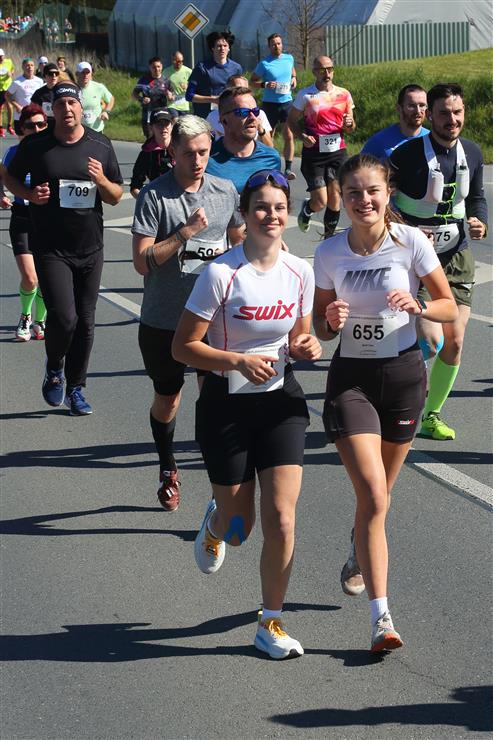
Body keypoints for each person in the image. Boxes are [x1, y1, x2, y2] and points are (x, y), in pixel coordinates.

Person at [172, 169, 321, 660]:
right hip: (225, 405)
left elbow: (300, 337)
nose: (271, 215)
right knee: (240, 530)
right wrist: (236, 361)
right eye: (261, 207)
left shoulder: (299, 271)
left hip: (281, 403)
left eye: (279, 207)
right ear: (245, 213)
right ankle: (217, 523)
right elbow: (182, 348)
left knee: (282, 518)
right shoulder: (221, 273)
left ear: (288, 213)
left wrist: (308, 345)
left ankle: (270, 623)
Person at [313, 154, 457, 652]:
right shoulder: (330, 252)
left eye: (372, 191)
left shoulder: (410, 242)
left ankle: (359, 546)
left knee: (380, 497)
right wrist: (329, 320)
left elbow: (447, 305)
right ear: (342, 196)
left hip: (402, 378)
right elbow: (320, 327)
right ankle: (382, 619)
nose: (364, 201)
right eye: (353, 192)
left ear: (387, 192)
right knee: (374, 496)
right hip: (351, 381)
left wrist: (420, 306)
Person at [132, 115, 244, 511]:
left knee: (214, 401)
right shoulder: (155, 196)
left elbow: (237, 243)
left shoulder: (224, 190)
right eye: (189, 154)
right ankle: (167, 466)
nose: (197, 161)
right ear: (172, 152)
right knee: (168, 399)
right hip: (164, 320)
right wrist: (184, 233)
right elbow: (142, 262)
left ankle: (220, 487)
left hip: (212, 320)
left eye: (203, 152)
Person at [4, 81, 123, 415]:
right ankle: (55, 367)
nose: (67, 110)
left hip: (90, 247)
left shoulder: (100, 144)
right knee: (64, 318)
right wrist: (28, 195)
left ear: (81, 108)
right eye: (60, 105)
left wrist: (102, 181)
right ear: (52, 111)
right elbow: (9, 177)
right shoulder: (36, 145)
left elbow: (115, 196)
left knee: (86, 322)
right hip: (50, 247)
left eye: (72, 104)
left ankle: (76, 388)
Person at [389, 83, 488, 441]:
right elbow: (383, 199)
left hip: (457, 255)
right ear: (429, 115)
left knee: (455, 342)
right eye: (444, 113)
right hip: (416, 260)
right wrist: (406, 234)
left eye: (457, 112)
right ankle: (394, 387)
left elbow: (476, 198)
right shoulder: (407, 154)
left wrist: (480, 222)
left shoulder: (472, 152)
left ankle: (431, 415)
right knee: (431, 342)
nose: (452, 119)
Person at [287, 55, 355, 237]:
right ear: (314, 72)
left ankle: (328, 239)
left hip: (337, 152)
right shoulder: (306, 95)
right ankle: (308, 209)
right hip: (314, 154)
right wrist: (302, 136)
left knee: (335, 198)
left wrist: (349, 124)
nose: (327, 73)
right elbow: (291, 121)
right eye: (322, 70)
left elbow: (350, 127)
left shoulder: (344, 94)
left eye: (330, 69)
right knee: (320, 201)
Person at [0, 104, 48, 341]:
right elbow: (2, 176)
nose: (36, 129)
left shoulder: (54, 151)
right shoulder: (13, 153)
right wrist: (1, 194)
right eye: (30, 126)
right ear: (22, 128)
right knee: (30, 277)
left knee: (47, 277)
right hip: (22, 217)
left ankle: (40, 320)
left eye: (41, 124)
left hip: (49, 219)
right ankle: (26, 316)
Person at [206, 86, 281, 193]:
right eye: (243, 112)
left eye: (255, 111)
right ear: (224, 120)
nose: (253, 118)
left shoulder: (271, 158)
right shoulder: (205, 159)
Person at [251, 33, 297, 179]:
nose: (276, 46)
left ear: (282, 44)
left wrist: (294, 78)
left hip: (286, 102)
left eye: (278, 43)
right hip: (270, 104)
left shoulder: (289, 58)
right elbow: (252, 81)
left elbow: (292, 70)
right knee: (267, 137)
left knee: (288, 135)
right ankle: (268, 167)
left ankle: (288, 169)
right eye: (273, 44)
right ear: (269, 46)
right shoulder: (264, 63)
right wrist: (264, 84)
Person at [362, 84, 429, 161]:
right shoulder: (379, 141)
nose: (418, 111)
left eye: (422, 105)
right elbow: (358, 167)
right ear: (399, 108)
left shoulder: (432, 140)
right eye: (411, 106)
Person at [185, 31, 242, 119]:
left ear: (229, 48)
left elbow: (240, 93)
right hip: (205, 116)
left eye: (225, 46)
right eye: (219, 46)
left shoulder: (236, 68)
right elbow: (189, 95)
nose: (222, 49)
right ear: (212, 48)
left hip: (228, 116)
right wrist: (213, 99)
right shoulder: (202, 67)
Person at [206, 74, 273, 147]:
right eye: (237, 89)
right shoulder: (213, 116)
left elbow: (270, 146)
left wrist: (260, 129)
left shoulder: (259, 114)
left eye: (245, 89)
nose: (242, 93)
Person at [130, 108, 176, 199]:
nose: (163, 128)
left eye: (166, 123)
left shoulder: (182, 148)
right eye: (159, 124)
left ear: (172, 126)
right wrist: (148, 202)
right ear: (151, 127)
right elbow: (135, 187)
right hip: (157, 201)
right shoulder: (146, 153)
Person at [132, 56, 174, 138]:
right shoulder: (144, 80)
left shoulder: (166, 81)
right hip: (148, 112)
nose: (156, 69)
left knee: (162, 136)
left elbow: (173, 96)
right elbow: (134, 94)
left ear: (161, 66)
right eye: (154, 67)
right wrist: (142, 99)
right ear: (150, 68)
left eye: (158, 66)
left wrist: (170, 96)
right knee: (150, 137)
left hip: (162, 113)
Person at [6, 58, 44, 134]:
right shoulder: (17, 82)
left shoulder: (39, 81)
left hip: (35, 117)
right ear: (23, 67)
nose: (30, 67)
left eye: (32, 65)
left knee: (36, 139)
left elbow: (42, 96)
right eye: (27, 65)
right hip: (21, 117)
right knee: (23, 140)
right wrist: (17, 106)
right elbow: (7, 95)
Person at [76, 61, 114, 133]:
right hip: (79, 131)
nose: (85, 75)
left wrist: (106, 112)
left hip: (96, 130)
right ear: (77, 74)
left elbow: (111, 99)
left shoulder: (99, 87)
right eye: (83, 73)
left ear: (91, 74)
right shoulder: (72, 88)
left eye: (87, 73)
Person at [163, 51, 192, 115]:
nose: (179, 63)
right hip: (172, 104)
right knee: (175, 119)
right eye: (177, 61)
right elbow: (162, 86)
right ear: (173, 60)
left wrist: (188, 87)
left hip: (184, 105)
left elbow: (195, 87)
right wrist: (167, 93)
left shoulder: (189, 71)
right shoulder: (166, 72)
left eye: (181, 61)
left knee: (183, 121)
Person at [0, 48, 15, 136]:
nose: (0, 58)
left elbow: (12, 70)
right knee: (0, 108)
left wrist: (11, 73)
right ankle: (1, 128)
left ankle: (9, 126)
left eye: (1, 56)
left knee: (10, 106)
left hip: (8, 87)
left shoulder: (9, 62)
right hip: (0, 88)